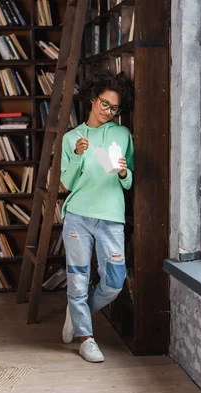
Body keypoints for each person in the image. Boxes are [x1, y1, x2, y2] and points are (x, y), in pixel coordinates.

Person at [59, 70, 135, 362]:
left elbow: (128, 181)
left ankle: (78, 314)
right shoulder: (71, 138)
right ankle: (85, 338)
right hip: (78, 214)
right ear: (92, 99)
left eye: (114, 108)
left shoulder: (122, 135)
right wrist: (78, 155)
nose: (108, 112)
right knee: (78, 279)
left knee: (115, 282)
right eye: (105, 104)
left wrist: (125, 171)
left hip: (111, 215)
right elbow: (66, 184)